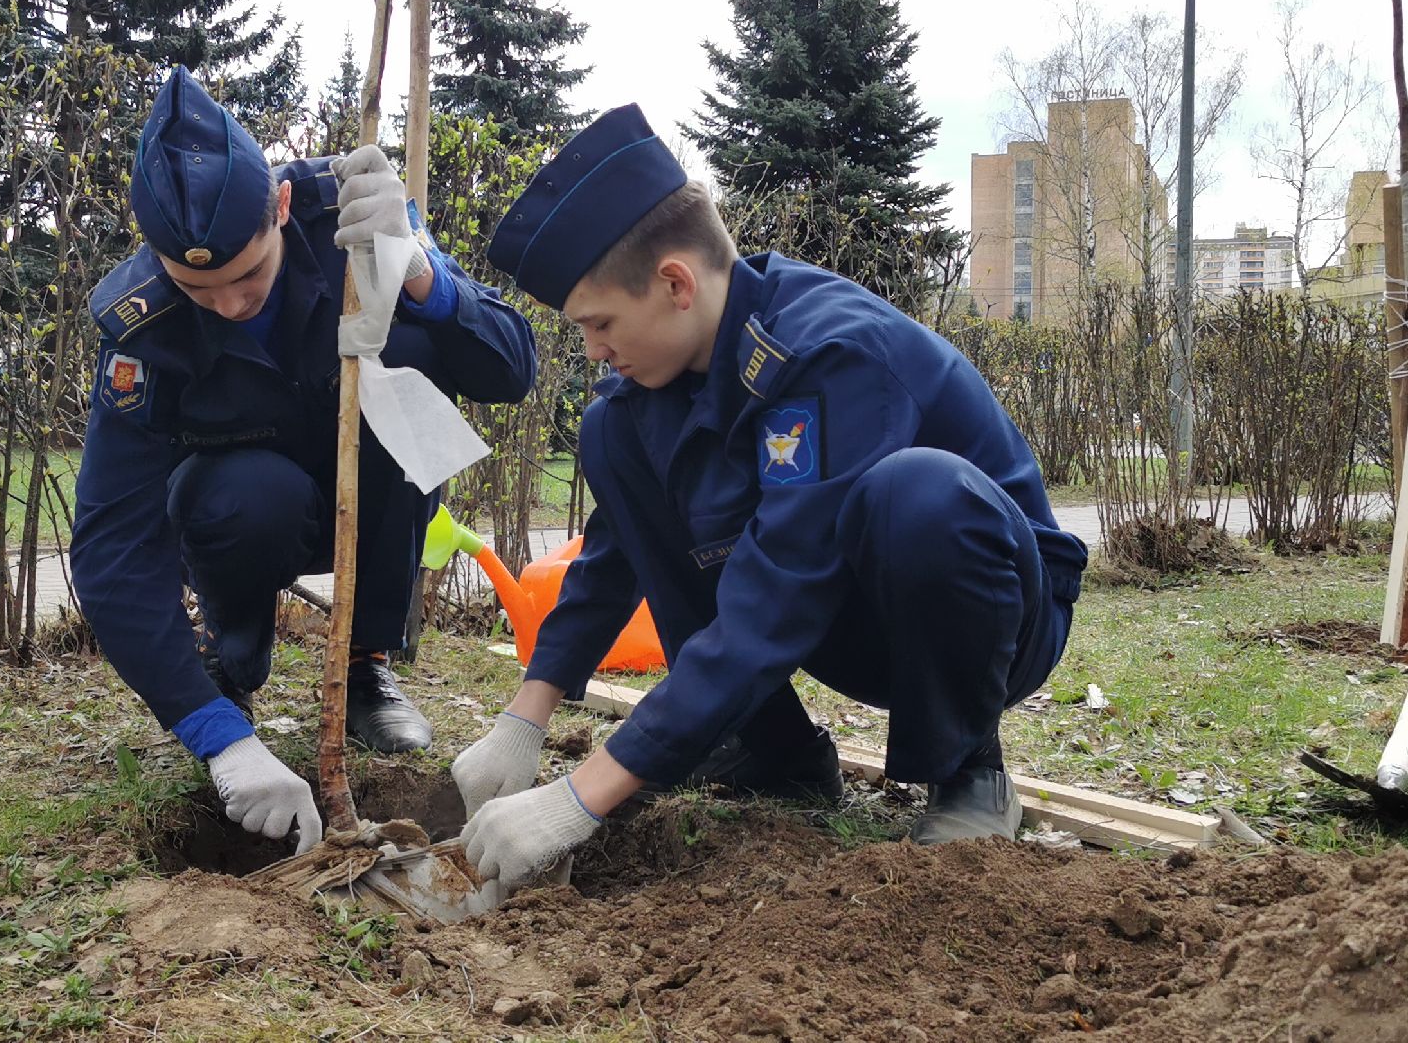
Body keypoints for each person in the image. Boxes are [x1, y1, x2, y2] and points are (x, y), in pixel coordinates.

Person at [450, 106, 1088, 895]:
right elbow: (615, 557)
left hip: (994, 620)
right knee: (607, 431)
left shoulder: (829, 350)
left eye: (600, 323)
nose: (593, 350)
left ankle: (968, 770)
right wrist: (525, 717)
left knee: (916, 491)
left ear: (675, 283)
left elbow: (776, 594)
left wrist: (581, 797)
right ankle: (774, 752)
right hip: (837, 619)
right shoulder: (653, 388)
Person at [71, 68, 538, 854]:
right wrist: (214, 735)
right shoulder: (143, 327)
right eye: (199, 289)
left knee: (411, 359)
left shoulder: (350, 218)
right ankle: (231, 663)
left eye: (248, 275)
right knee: (248, 492)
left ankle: (364, 664)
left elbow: (512, 371)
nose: (228, 304)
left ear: (282, 208)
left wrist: (419, 272)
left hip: (372, 501)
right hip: (242, 516)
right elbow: (111, 546)